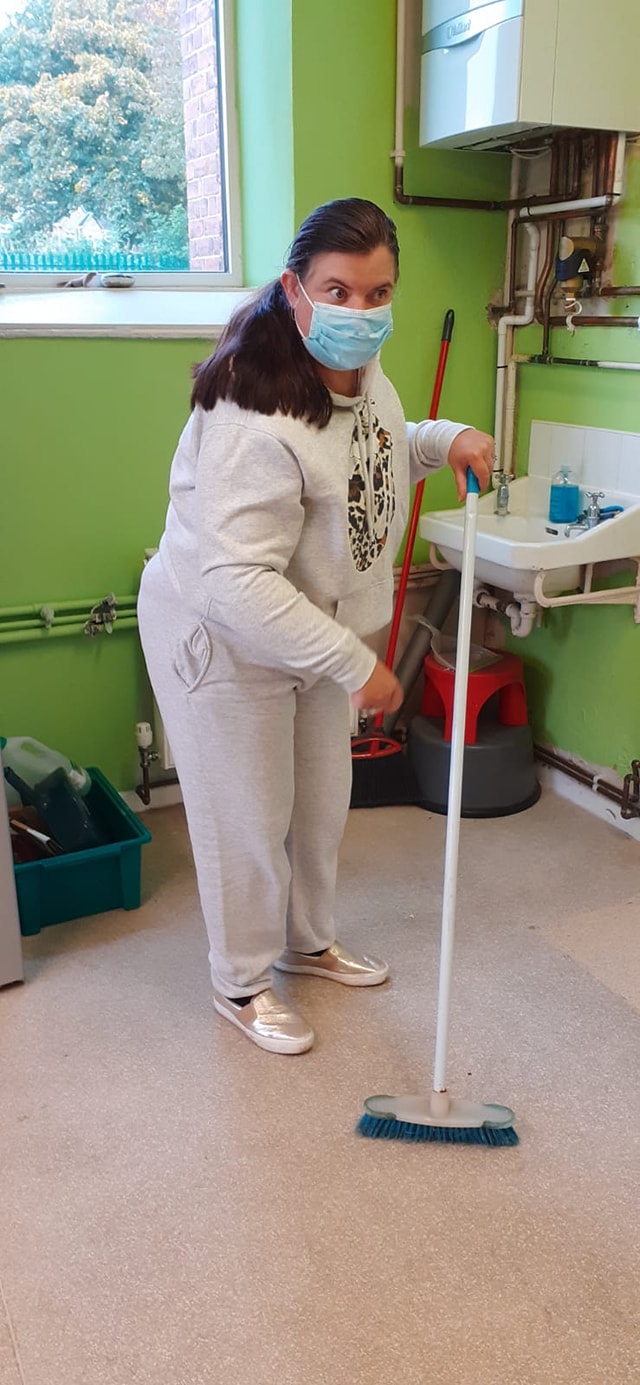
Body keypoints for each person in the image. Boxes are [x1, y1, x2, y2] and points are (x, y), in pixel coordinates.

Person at [137, 197, 493, 1056]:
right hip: (223, 636)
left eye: (378, 293)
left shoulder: (362, 373)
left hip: (309, 635)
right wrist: (354, 661)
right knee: (248, 818)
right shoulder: (250, 414)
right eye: (338, 291)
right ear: (295, 289)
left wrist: (444, 439)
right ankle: (241, 980)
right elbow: (236, 580)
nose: (360, 312)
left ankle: (307, 941)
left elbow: (375, 449)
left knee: (321, 803)